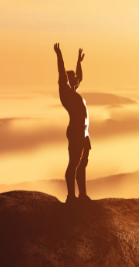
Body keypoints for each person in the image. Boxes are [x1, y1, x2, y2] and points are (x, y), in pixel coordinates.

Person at [54, 43, 91, 204]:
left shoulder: (74, 92)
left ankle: (82, 195)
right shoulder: (67, 94)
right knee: (74, 164)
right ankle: (71, 197)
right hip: (76, 134)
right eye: (73, 76)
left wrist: (79, 62)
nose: (77, 78)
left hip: (84, 134)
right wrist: (59, 55)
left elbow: (80, 77)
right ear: (68, 80)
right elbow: (62, 75)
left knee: (82, 164)